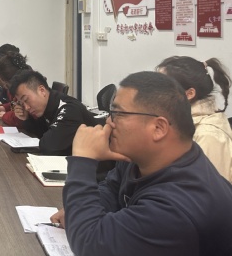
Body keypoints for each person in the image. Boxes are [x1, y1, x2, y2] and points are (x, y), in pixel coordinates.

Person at [54, 71, 232, 256]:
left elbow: (90, 246)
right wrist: (82, 212)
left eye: (117, 114)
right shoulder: (142, 158)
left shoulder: (176, 207)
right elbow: (112, 189)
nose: (108, 121)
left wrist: (83, 161)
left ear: (158, 128)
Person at [157, 56, 232, 182]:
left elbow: (209, 189)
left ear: (189, 94)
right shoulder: (178, 120)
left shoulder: (209, 136)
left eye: (162, 86)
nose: (154, 92)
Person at [11, 69, 99, 155]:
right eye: (22, 103)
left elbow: (49, 146)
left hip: (93, 163)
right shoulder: (48, 105)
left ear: (42, 90)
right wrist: (26, 119)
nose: (26, 107)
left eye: (26, 100)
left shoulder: (69, 109)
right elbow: (41, 132)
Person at [0, 51, 31, 127]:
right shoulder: (18, 87)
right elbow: (14, 104)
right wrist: (2, 108)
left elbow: (20, 116)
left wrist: (5, 115)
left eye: (5, 84)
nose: (4, 87)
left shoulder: (26, 90)